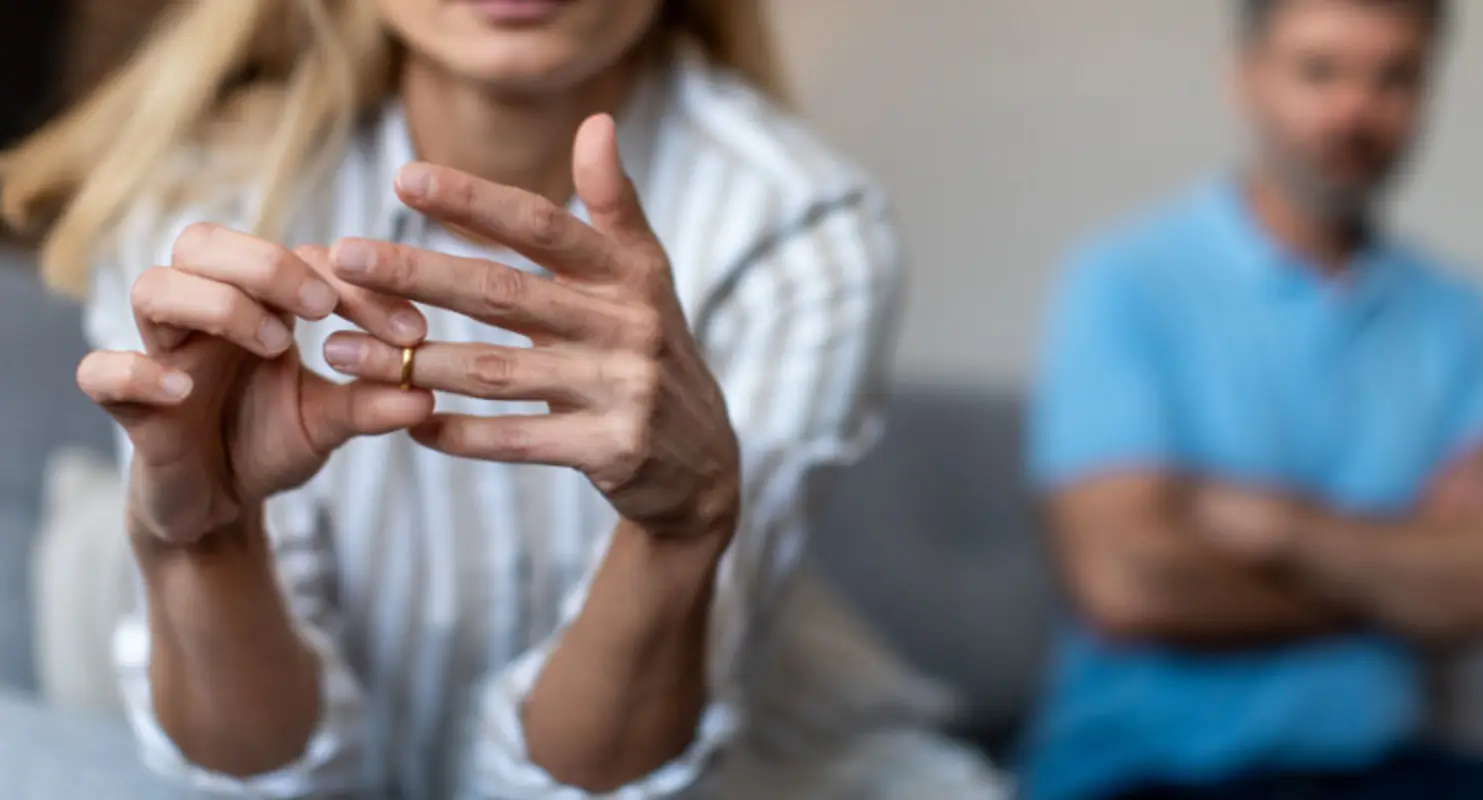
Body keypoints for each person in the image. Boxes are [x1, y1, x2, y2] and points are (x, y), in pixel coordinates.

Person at [0, 1, 1004, 797]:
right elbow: (260, 775)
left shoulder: (802, 230)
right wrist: (204, 541)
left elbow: (585, 786)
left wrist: (684, 527)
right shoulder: (200, 199)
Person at [1025, 0, 1483, 798]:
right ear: (1247, 80)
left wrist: (1277, 528)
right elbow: (1126, 582)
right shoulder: (1125, 282)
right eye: (1320, 71)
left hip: (1382, 770)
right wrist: (1410, 581)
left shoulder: (1456, 317)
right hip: (1146, 775)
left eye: (1394, 78)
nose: (1355, 109)